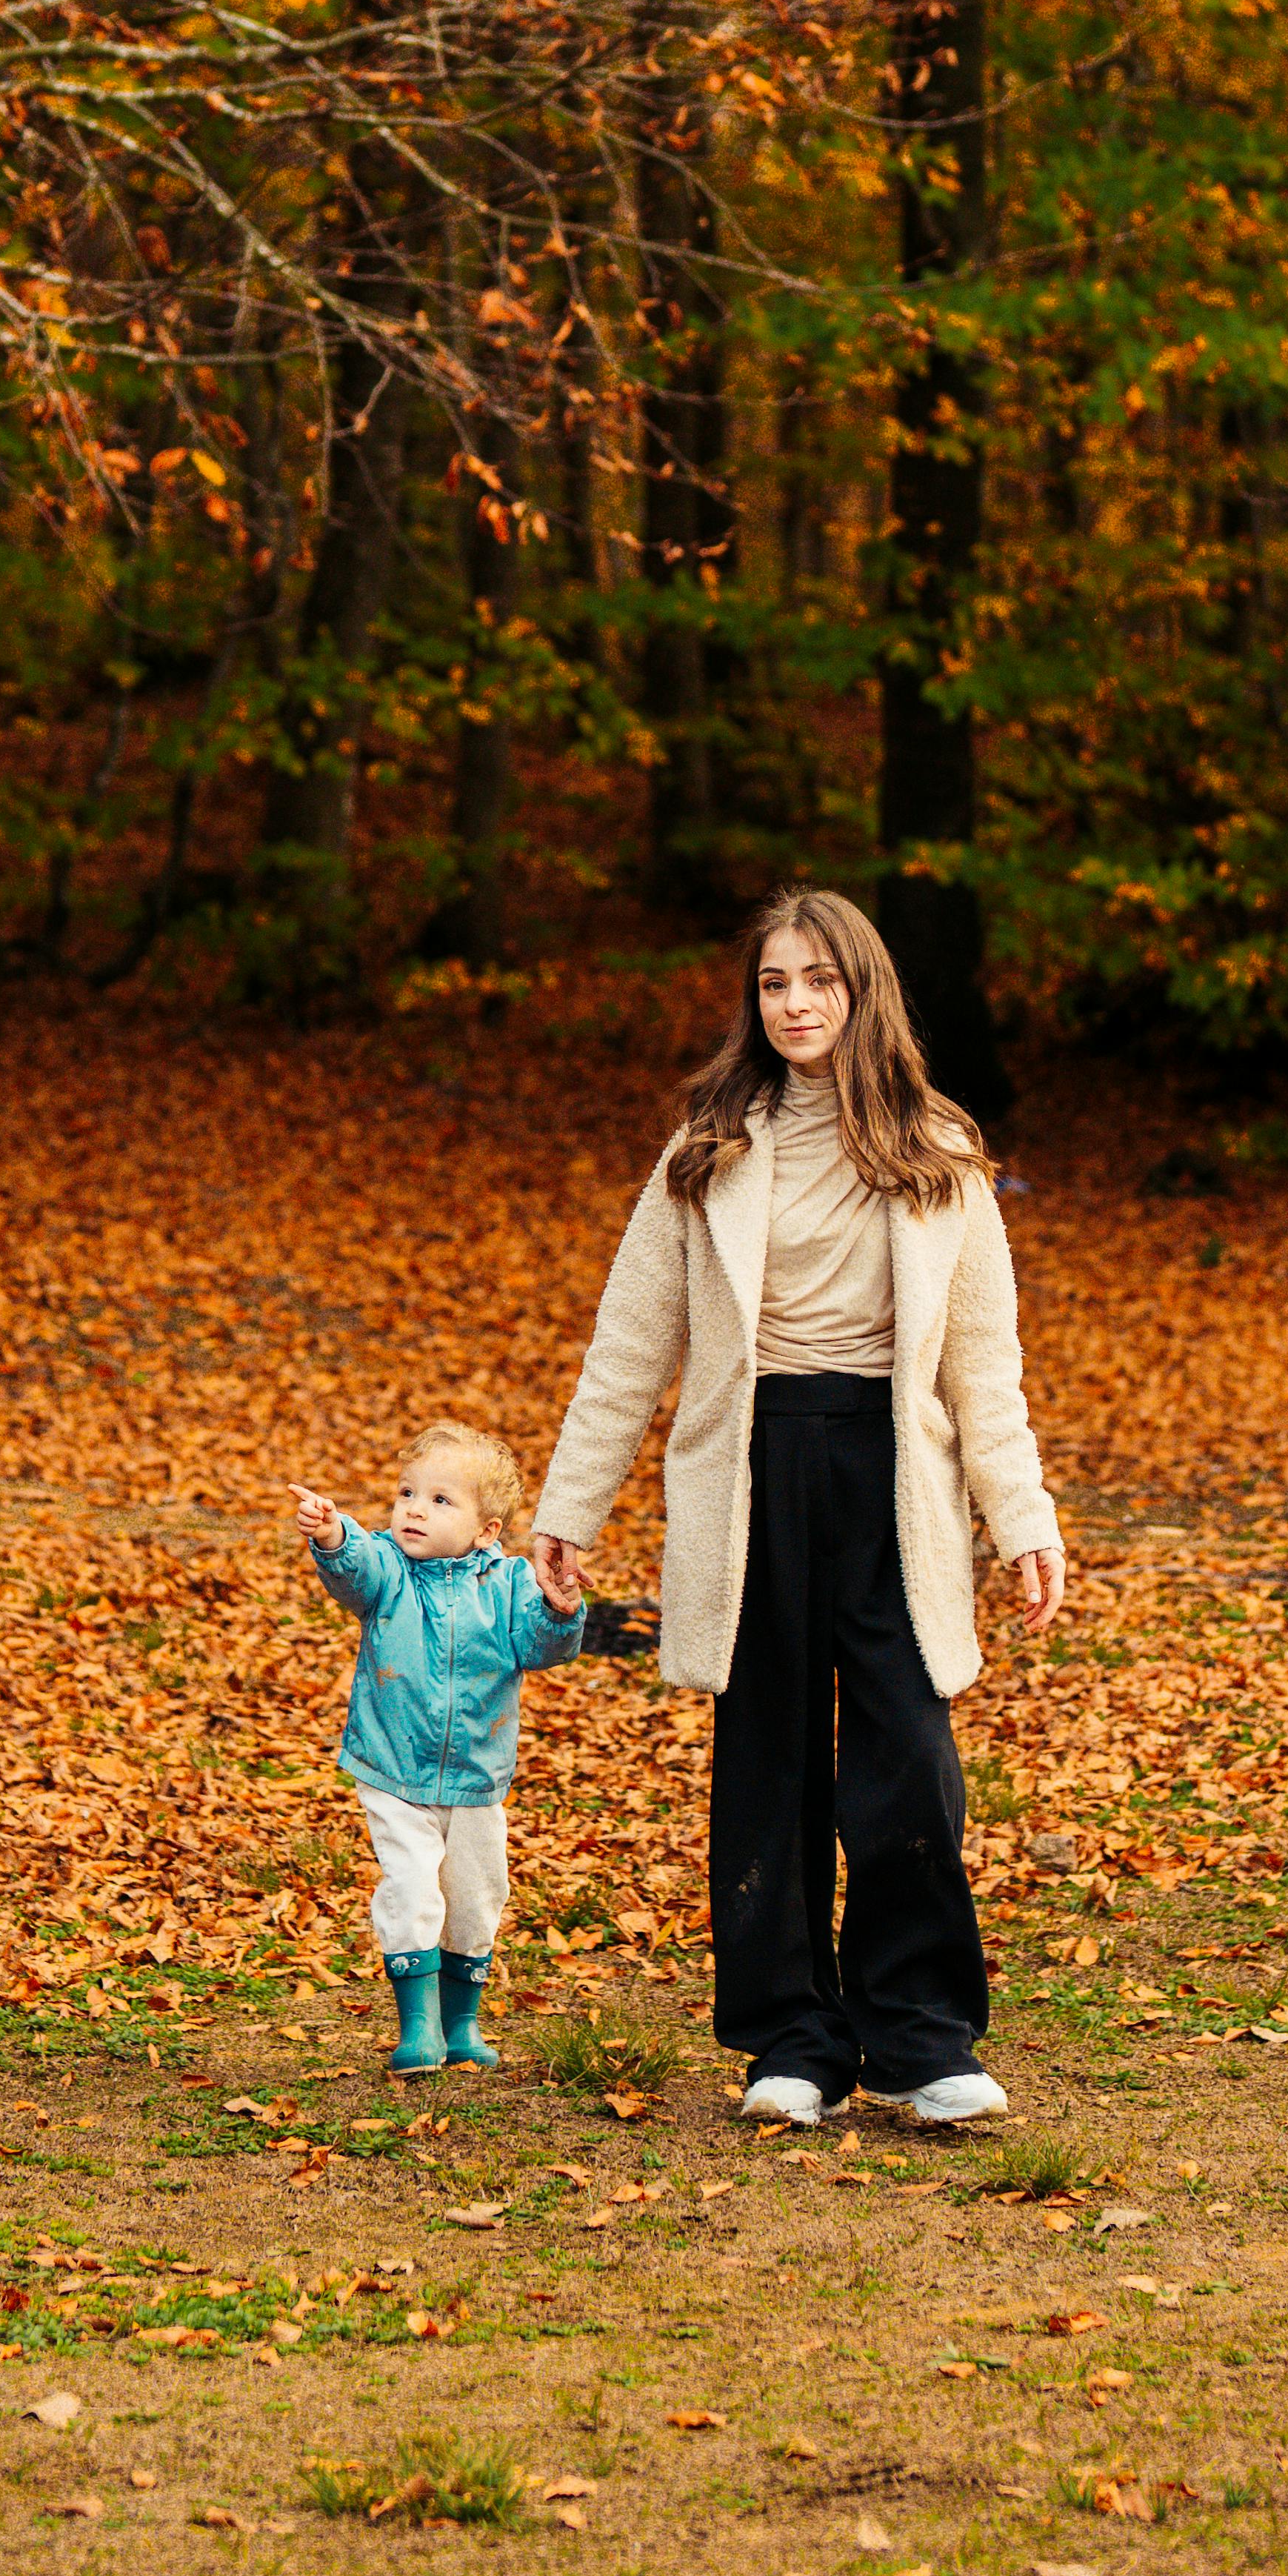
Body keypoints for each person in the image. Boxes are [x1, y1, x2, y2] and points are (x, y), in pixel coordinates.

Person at [531, 884, 1066, 2132]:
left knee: (908, 1758)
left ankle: (923, 2038)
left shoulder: (938, 1150)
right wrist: (572, 1505)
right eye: (776, 982)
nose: (797, 1002)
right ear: (753, 999)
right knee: (767, 1760)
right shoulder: (706, 1148)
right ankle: (791, 2038)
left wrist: (1023, 1516)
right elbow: (629, 1345)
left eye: (820, 980)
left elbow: (983, 1366)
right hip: (752, 1471)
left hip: (891, 1475)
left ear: (862, 990)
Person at [298, 1422, 590, 2075]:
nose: (414, 1509)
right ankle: (418, 2029)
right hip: (393, 1767)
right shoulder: (388, 1569)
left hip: (477, 1774)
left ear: (487, 1530)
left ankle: (461, 2024)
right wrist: (330, 1535)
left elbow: (540, 1649)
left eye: (439, 1500)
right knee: (410, 1888)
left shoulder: (510, 1583)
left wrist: (560, 1608)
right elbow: (355, 1568)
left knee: (476, 1896)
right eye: (407, 1493)